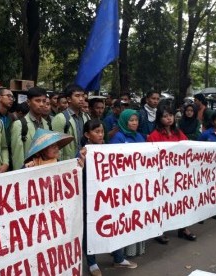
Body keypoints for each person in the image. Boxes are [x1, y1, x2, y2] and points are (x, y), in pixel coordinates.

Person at [80, 119, 138, 275]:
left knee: (114, 225)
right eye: (96, 132)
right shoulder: (82, 153)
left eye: (102, 131)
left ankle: (119, 258)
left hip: (109, 198)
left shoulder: (108, 150)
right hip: (90, 200)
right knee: (89, 230)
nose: (100, 135)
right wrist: (82, 162)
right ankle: (92, 263)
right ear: (87, 134)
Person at [147, 105, 196, 242]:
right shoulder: (154, 136)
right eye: (165, 116)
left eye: (170, 115)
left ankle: (183, 228)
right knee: (161, 203)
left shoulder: (178, 133)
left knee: (181, 201)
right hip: (162, 176)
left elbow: (189, 148)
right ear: (159, 118)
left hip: (178, 176)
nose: (168, 118)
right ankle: (159, 231)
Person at [109, 109, 146, 256]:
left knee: (136, 215)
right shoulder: (117, 137)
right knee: (123, 216)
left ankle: (135, 249)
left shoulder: (139, 137)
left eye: (136, 120)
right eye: (131, 120)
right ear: (124, 121)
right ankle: (119, 252)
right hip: (123, 185)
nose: (134, 123)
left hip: (137, 184)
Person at [10, 87, 50, 170]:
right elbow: (17, 158)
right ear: (28, 102)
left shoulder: (47, 124)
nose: (42, 104)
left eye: (44, 101)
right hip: (28, 172)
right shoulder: (19, 125)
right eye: (37, 101)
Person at [52, 84, 90, 161]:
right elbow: (56, 145)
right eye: (77, 96)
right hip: (68, 163)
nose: (81, 99)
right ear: (69, 99)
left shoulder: (86, 117)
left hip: (85, 160)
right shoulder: (60, 118)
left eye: (83, 96)